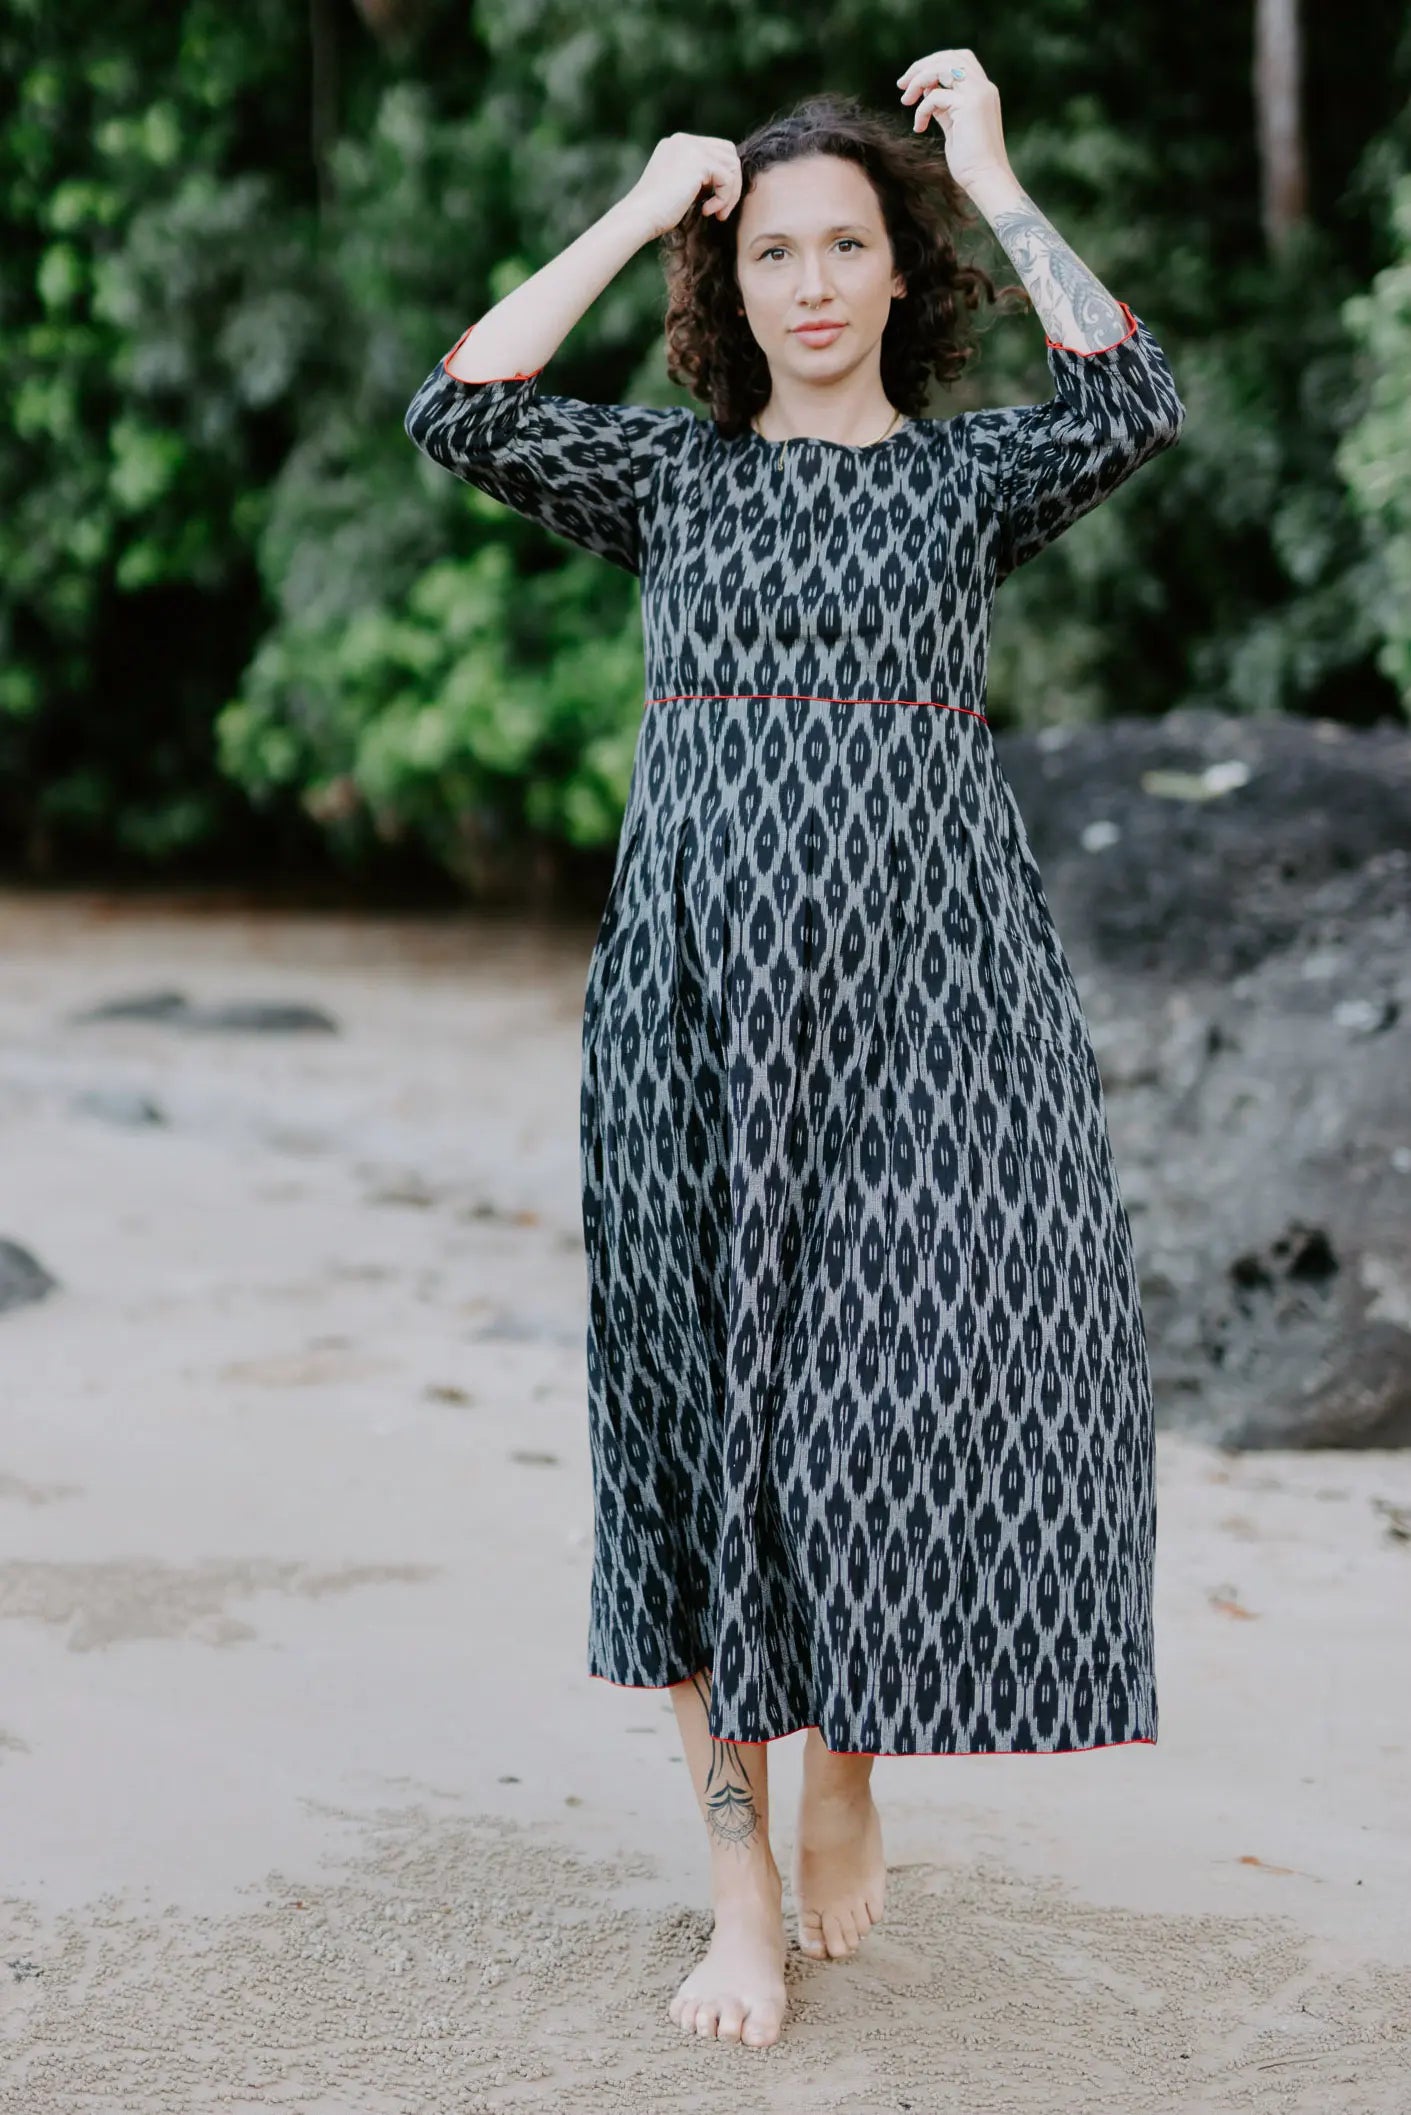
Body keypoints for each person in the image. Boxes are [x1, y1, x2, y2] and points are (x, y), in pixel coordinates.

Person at [405, 51, 1184, 2052]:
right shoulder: (678, 478)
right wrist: (632, 198)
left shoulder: (959, 480)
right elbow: (460, 405)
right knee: (700, 1437)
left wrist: (994, 177)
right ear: (726, 277)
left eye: (847, 245)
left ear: (894, 277)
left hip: (931, 1016)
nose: (814, 281)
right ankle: (735, 1880)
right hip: (690, 1013)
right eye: (773, 249)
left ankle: (852, 1746)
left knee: (902, 1400)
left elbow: (1129, 398)